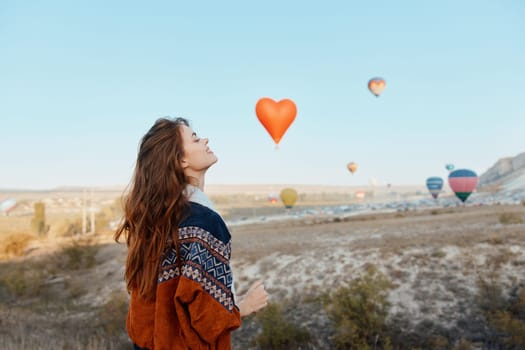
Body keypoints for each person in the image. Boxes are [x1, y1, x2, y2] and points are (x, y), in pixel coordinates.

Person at [115, 117, 268, 350]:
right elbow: (207, 320)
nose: (205, 139)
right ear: (181, 159)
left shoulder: (152, 221)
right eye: (195, 138)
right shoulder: (204, 222)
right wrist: (244, 307)